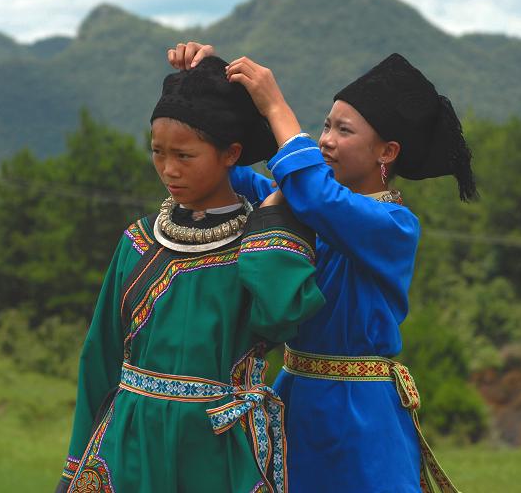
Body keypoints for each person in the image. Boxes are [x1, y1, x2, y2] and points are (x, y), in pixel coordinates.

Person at [168, 43, 475, 492]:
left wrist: (276, 104)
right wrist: (202, 83)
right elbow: (226, 173)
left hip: (358, 412)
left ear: (386, 152)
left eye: (344, 130)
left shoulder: (392, 225)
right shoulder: (308, 201)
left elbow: (313, 191)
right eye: (326, 125)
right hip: (293, 395)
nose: (326, 139)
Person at [56, 56, 324, 493]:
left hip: (219, 448)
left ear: (230, 155)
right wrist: (75, 467)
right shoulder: (138, 242)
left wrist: (271, 223)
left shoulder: (260, 245)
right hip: (131, 444)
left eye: (184, 155)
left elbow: (282, 318)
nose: (168, 169)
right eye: (158, 153)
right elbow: (100, 356)